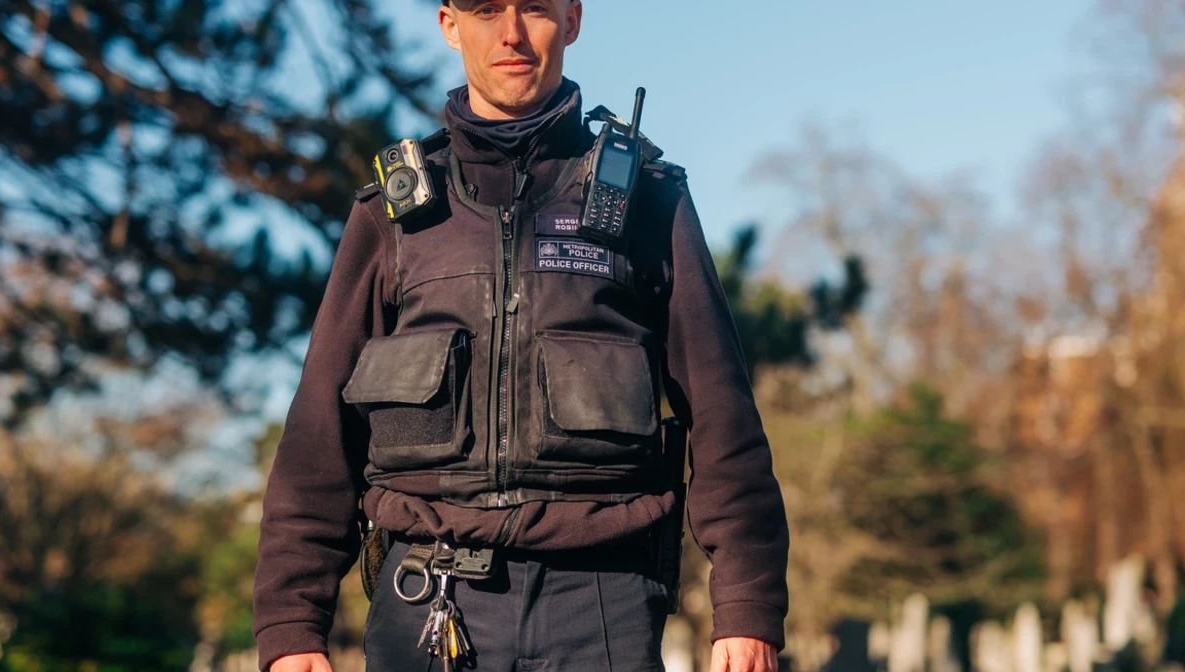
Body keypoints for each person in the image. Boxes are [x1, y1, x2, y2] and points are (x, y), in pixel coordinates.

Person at [252, 1, 789, 670]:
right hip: (426, 600)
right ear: (449, 24)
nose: (510, 33)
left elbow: (722, 416)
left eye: (533, 7)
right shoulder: (391, 219)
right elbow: (319, 433)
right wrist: (290, 625)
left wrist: (748, 606)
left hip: (601, 605)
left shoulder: (649, 201)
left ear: (571, 18)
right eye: (484, 9)